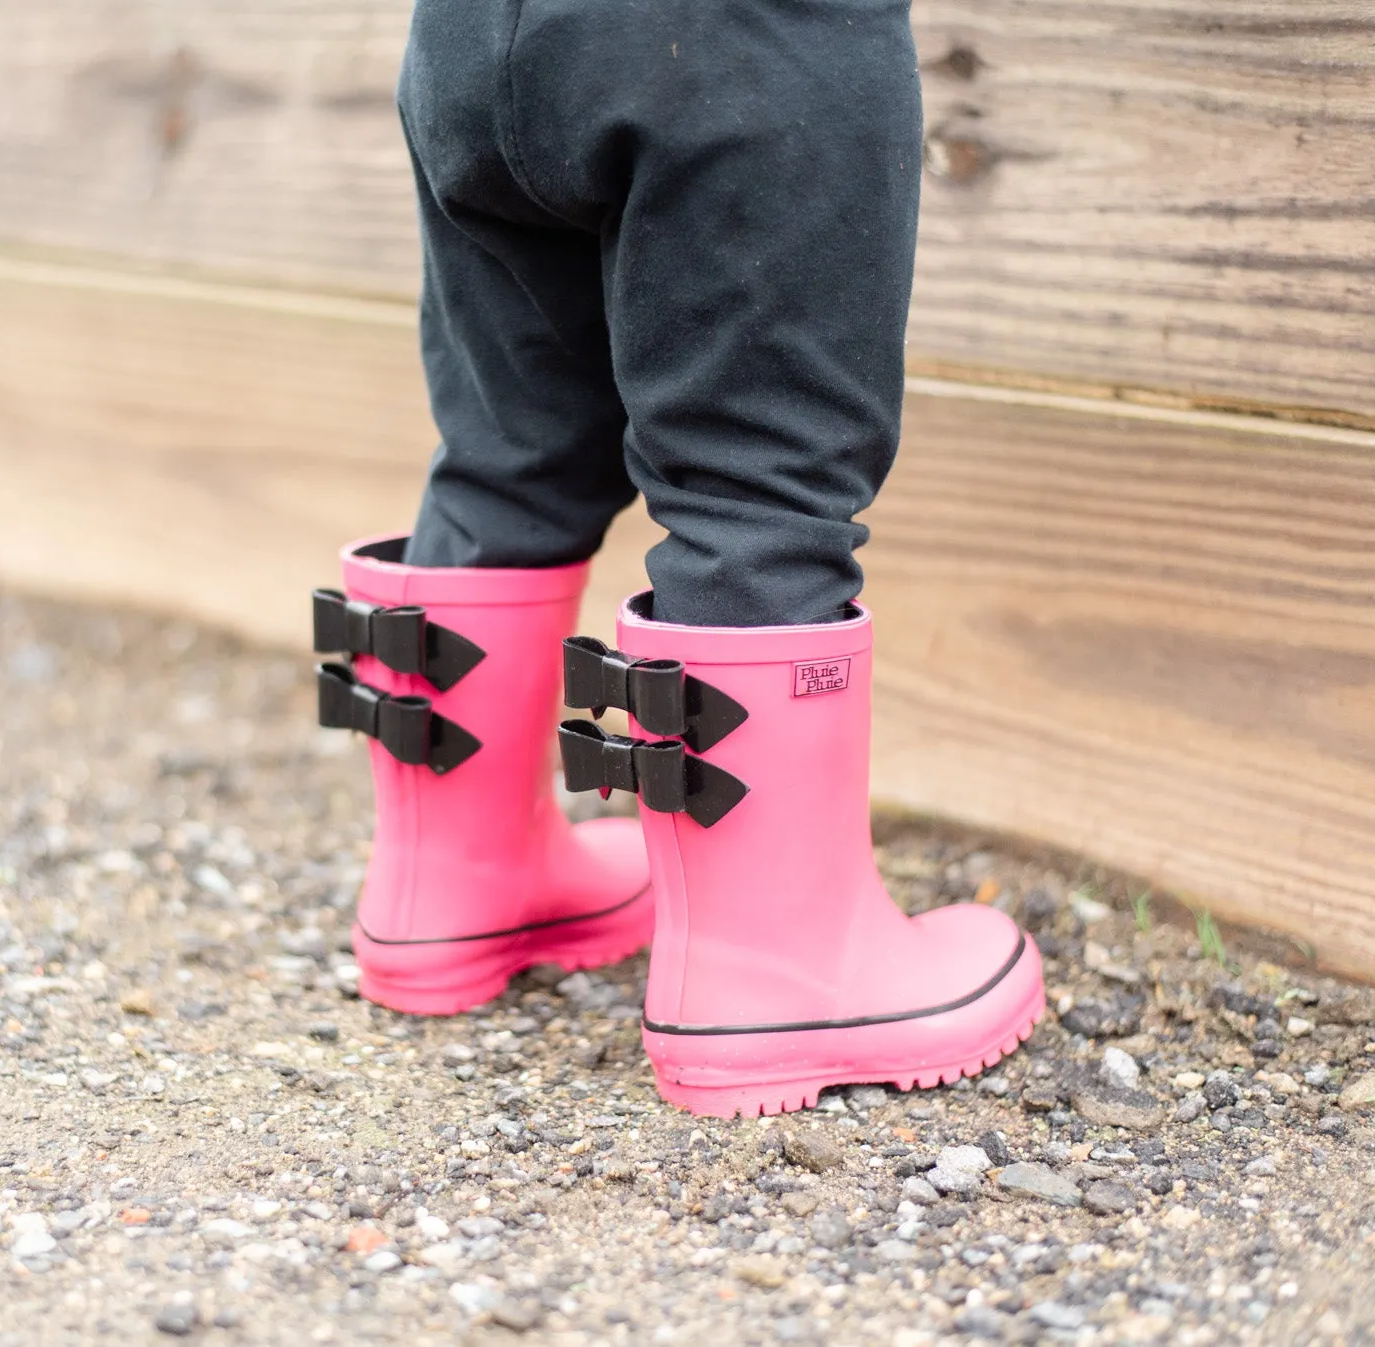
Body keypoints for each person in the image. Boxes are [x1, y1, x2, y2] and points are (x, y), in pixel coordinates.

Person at [311, 0, 1044, 1116]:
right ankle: (774, 977)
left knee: (505, 452)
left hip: (468, 42)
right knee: (758, 481)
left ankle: (456, 889)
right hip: (735, 38)